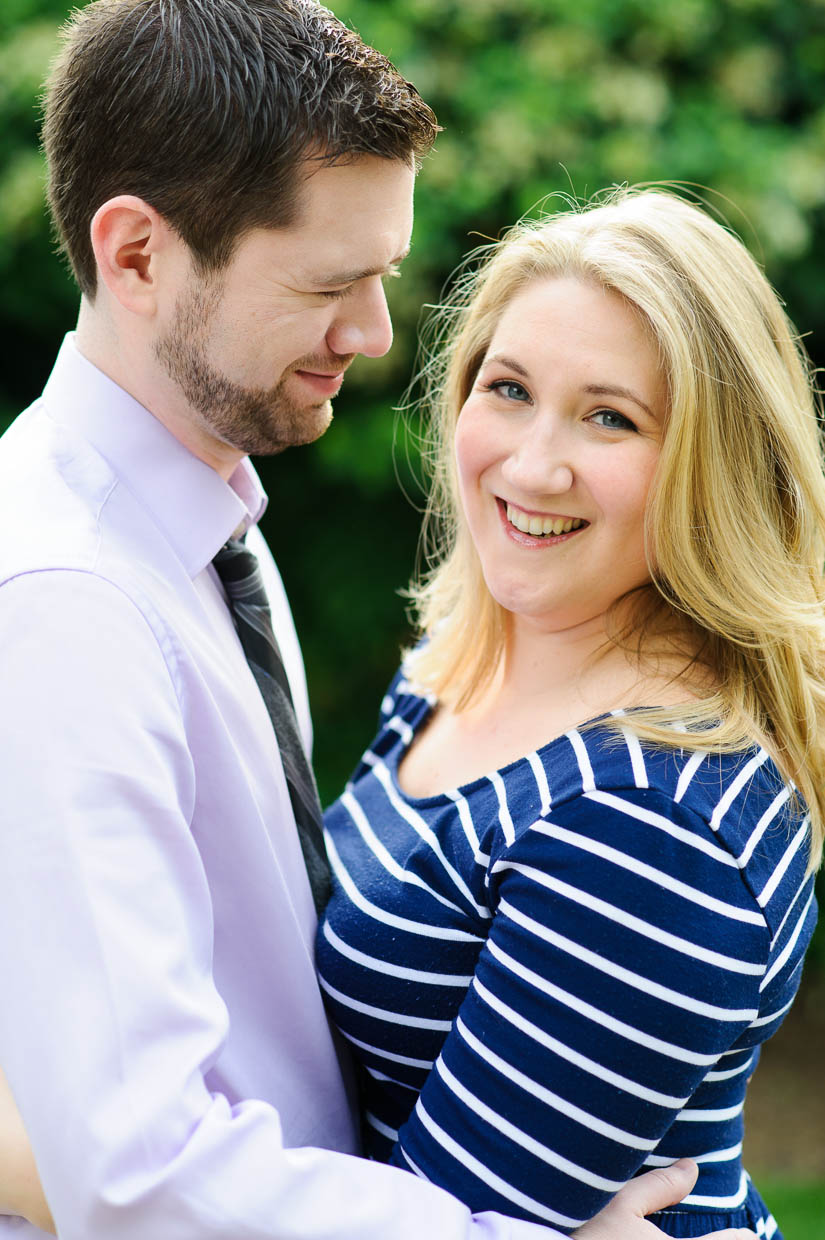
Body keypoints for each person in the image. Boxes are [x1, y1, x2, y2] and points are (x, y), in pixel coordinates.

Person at [0, 1, 756, 1239]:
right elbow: (135, 1169)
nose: (375, 335)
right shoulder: (66, 609)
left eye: (384, 277)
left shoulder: (206, 526)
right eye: (329, 283)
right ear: (137, 256)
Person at [314, 189, 823, 1238]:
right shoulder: (459, 658)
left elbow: (431, 1225)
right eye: (508, 389)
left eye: (610, 417)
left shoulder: (652, 821)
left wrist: (66, 1160)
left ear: (710, 468)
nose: (532, 464)